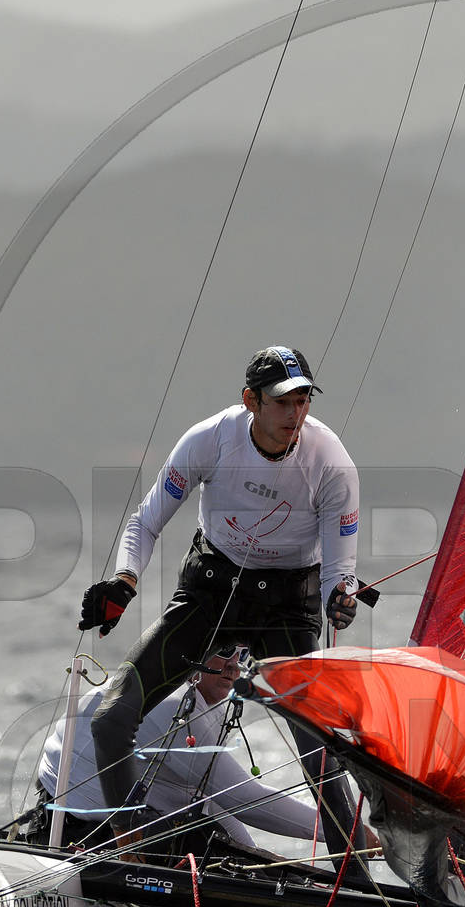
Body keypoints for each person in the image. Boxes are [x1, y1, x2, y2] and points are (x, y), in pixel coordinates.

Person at [78, 346, 367, 873]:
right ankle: (130, 851)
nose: (295, 414)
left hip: (287, 608)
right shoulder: (210, 439)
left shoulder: (331, 462)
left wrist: (340, 597)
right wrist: (124, 581)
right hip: (212, 591)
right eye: (283, 402)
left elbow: (339, 570)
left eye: (303, 400)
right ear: (251, 401)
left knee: (319, 753)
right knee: (110, 719)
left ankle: (357, 883)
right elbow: (146, 520)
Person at [37, 654, 319, 851]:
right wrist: (339, 831)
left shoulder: (199, 702)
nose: (234, 665)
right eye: (225, 651)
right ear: (197, 649)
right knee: (201, 840)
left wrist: (252, 853)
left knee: (217, 841)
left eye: (242, 654)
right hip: (71, 832)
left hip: (100, 824)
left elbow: (214, 799)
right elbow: (243, 799)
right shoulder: (175, 704)